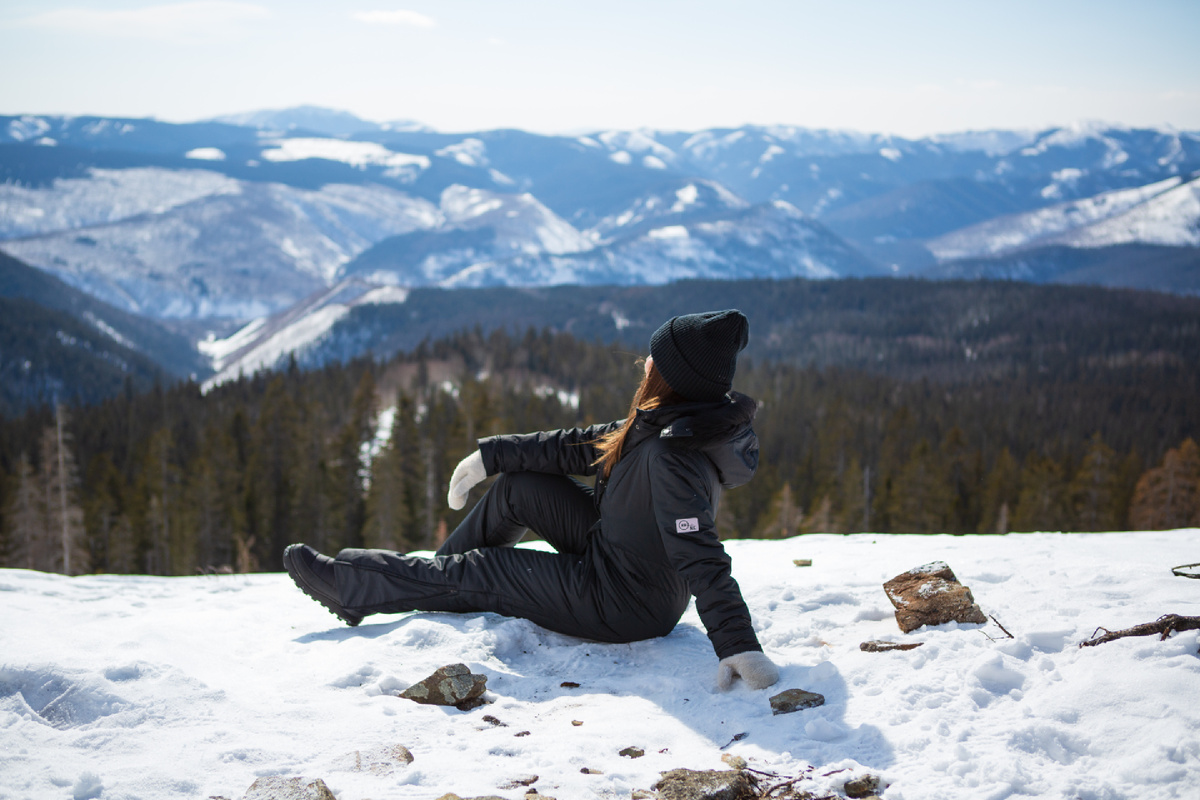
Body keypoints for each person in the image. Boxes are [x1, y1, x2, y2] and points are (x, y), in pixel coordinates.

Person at [283, 309, 779, 690]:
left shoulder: (675, 453)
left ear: (674, 376)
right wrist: (493, 457)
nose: (645, 361)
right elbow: (583, 445)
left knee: (484, 570)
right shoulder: (663, 423)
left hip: (624, 603)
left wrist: (737, 644)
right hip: (615, 556)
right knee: (521, 487)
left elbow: (699, 553)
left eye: (657, 358)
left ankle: (355, 588)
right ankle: (438, 587)